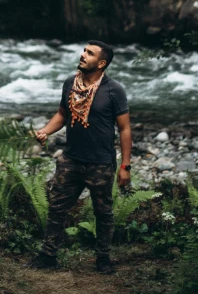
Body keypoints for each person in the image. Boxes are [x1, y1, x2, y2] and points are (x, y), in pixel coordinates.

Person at [30, 40, 131, 275]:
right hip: (70, 160)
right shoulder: (69, 83)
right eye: (84, 51)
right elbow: (62, 114)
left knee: (103, 213)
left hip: (100, 163)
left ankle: (103, 259)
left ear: (102, 63)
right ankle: (48, 256)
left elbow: (125, 129)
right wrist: (45, 131)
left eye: (90, 53)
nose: (83, 55)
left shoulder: (113, 90)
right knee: (56, 208)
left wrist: (125, 165)